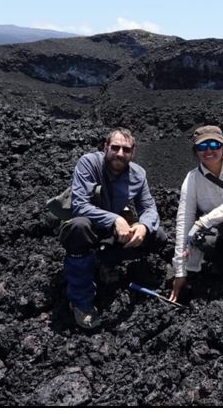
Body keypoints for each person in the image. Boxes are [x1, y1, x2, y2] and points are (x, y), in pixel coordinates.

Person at [59, 128, 160, 330]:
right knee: (79, 226)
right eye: (115, 148)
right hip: (88, 227)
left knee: (157, 235)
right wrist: (114, 219)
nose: (120, 154)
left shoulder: (138, 175)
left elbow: (149, 208)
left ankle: (106, 262)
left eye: (126, 149)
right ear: (105, 147)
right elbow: (80, 205)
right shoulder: (89, 163)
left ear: (133, 152)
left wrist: (143, 225)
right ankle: (81, 301)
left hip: (111, 231)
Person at [168, 125, 223, 302]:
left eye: (214, 144)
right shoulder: (192, 179)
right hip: (216, 229)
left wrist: (201, 222)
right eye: (202, 146)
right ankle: (222, 260)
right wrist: (180, 271)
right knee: (201, 239)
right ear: (196, 150)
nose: (209, 150)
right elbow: (184, 219)